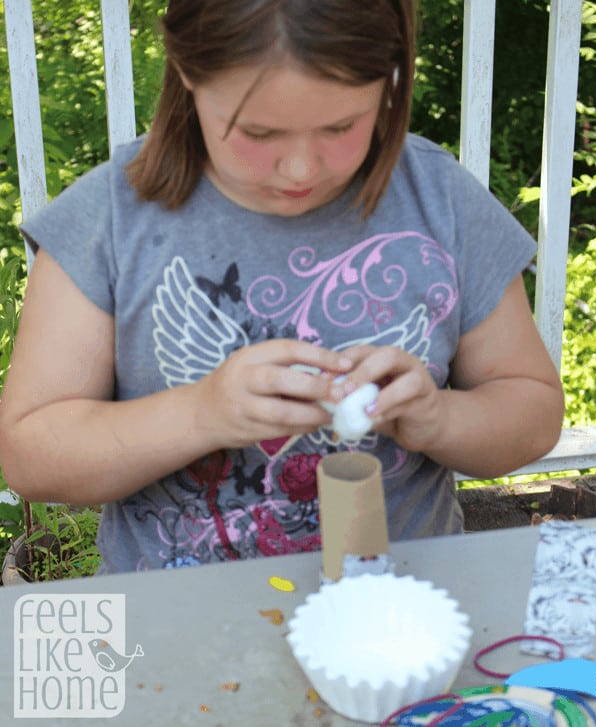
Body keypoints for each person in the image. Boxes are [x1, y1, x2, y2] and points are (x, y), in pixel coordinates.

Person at [0, 0, 564, 574]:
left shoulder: (441, 203)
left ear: (389, 78)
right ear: (188, 72)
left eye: (341, 126)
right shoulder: (110, 220)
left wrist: (438, 418)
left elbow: (533, 411)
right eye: (259, 131)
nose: (300, 169)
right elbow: (31, 458)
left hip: (401, 622)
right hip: (171, 630)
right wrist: (201, 413)